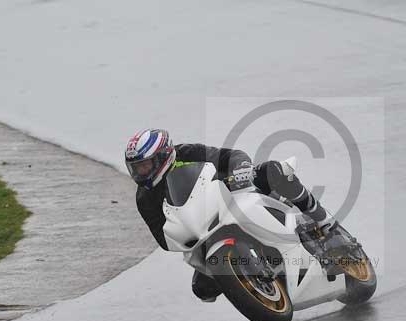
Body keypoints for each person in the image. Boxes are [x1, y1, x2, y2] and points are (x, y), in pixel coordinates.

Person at [125, 128, 335, 302]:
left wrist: (239, 170)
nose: (140, 173)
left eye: (144, 165)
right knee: (202, 289)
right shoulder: (145, 197)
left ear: (162, 156)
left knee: (274, 171)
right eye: (136, 168)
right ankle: (253, 281)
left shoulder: (187, 153)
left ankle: (323, 219)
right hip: (205, 226)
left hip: (234, 192)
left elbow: (231, 156)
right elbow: (162, 236)